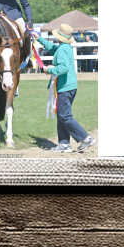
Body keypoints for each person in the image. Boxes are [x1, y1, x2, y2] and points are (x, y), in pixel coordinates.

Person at [33, 24, 96, 153]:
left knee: (64, 116)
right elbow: (52, 47)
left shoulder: (62, 49)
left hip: (65, 87)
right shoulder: (65, 47)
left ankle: (85, 138)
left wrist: (48, 70)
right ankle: (64, 144)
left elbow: (63, 68)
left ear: (59, 36)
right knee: (62, 115)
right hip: (71, 86)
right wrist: (39, 38)